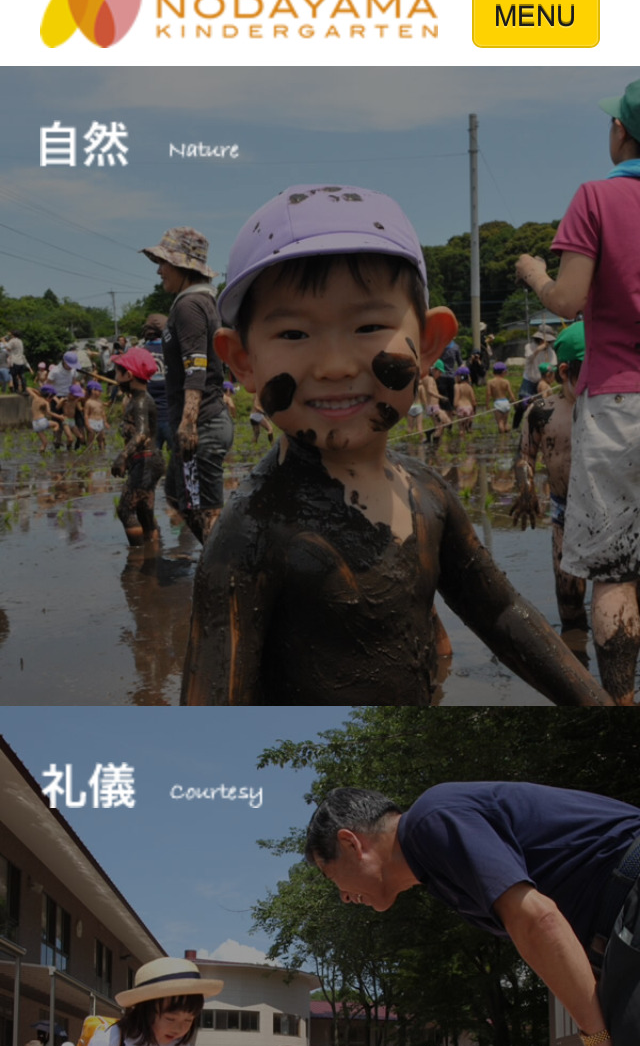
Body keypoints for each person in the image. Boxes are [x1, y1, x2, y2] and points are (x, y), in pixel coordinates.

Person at [181, 183, 612, 706]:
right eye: (293, 334)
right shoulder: (249, 534)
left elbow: (501, 615)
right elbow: (212, 706)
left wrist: (597, 706)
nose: (334, 365)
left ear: (429, 343)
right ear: (242, 361)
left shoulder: (428, 494)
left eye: (368, 326)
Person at [305, 782, 640, 1046]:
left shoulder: (429, 821)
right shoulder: (436, 868)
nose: (344, 897)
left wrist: (601, 1044)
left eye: (330, 875)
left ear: (351, 843)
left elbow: (539, 921)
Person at [516, 78, 640, 706]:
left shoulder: (597, 197)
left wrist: (537, 272)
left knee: (616, 572)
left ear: (623, 131)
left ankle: (621, 706)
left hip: (620, 400)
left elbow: (567, 300)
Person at [140, 228, 233, 543]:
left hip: (201, 425)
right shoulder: (196, 303)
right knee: (179, 497)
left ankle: (229, 575)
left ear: (182, 266)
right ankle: (226, 563)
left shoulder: (189, 305)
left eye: (163, 262)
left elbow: (197, 365)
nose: (159, 270)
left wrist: (189, 422)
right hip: (202, 421)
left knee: (204, 512)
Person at [510, 322, 587, 631]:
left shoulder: (618, 407)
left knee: (625, 594)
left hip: (618, 512)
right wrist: (525, 486)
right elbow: (524, 456)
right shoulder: (542, 412)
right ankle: (578, 660)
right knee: (568, 594)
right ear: (564, 372)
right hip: (566, 514)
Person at [78, 957, 222, 1046]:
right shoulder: (112, 1040)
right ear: (144, 1012)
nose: (179, 1029)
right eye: (170, 1019)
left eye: (188, 1020)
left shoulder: (178, 1044)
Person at [110, 348, 165, 547]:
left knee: (125, 509)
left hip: (146, 461)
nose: (115, 378)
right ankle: (151, 556)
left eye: (118, 372)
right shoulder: (137, 400)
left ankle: (136, 558)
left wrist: (122, 456)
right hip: (148, 461)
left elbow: (141, 434)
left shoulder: (141, 402)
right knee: (144, 510)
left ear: (129, 375)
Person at [512, 328, 557, 431]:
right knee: (523, 405)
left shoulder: (551, 352)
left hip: (542, 381)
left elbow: (553, 365)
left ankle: (537, 424)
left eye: (549, 342)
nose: (548, 343)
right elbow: (529, 358)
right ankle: (516, 427)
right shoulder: (529, 347)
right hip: (529, 379)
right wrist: (539, 349)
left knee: (541, 403)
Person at [142, 314, 172, 451]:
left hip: (149, 420)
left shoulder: (140, 353)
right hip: (172, 417)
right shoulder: (173, 350)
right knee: (180, 465)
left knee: (152, 465)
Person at [26, 383, 65, 452]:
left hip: (35, 424)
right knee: (56, 424)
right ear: (49, 395)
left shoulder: (35, 397)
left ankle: (41, 454)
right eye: (51, 397)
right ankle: (56, 439)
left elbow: (28, 388)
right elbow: (49, 413)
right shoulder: (45, 402)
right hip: (42, 421)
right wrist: (60, 417)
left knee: (44, 443)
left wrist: (39, 393)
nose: (51, 399)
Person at [486, 363, 514, 434]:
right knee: (505, 422)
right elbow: (511, 394)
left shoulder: (490, 382)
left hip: (498, 403)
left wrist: (487, 404)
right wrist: (514, 402)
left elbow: (488, 394)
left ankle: (502, 440)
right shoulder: (506, 381)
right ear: (503, 372)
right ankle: (507, 436)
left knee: (500, 422)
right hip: (505, 402)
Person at [84, 381, 109, 451]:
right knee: (90, 440)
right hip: (91, 422)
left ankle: (102, 452)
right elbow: (86, 414)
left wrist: (105, 422)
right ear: (93, 391)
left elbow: (103, 413)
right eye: (99, 391)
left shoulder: (100, 401)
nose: (101, 393)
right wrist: (87, 424)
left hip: (100, 422)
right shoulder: (88, 402)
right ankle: (89, 453)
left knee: (101, 439)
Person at [453, 365, 475, 434]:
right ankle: (469, 444)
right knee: (468, 429)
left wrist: (454, 409)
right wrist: (474, 410)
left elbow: (456, 401)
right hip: (469, 408)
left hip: (461, 408)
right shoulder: (469, 387)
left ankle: (462, 442)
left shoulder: (457, 386)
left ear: (459, 377)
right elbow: (474, 401)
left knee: (461, 429)